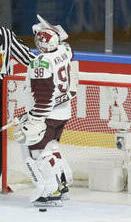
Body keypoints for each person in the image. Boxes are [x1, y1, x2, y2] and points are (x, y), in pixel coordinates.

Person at [13, 16, 74, 207]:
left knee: (37, 154)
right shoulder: (65, 51)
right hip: (62, 112)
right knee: (51, 149)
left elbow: (43, 97)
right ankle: (63, 186)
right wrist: (49, 30)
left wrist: (33, 118)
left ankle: (51, 191)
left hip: (46, 115)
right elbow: (62, 40)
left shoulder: (41, 63)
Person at [0, 27, 37, 177]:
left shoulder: (5, 34)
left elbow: (28, 58)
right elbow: (27, 57)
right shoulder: (4, 33)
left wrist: (47, 64)